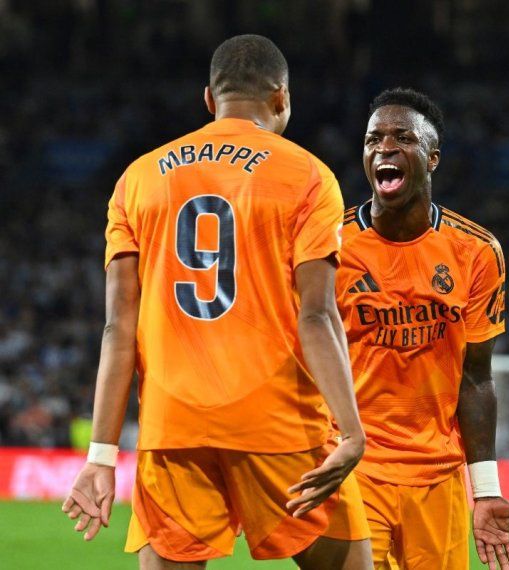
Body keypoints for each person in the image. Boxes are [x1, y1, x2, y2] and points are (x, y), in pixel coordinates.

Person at [61, 34, 372, 569]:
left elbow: (118, 329)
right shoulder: (308, 176)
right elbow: (317, 315)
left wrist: (101, 456)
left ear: (209, 99)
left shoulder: (137, 179)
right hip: (279, 423)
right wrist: (351, 430)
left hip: (172, 427)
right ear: (282, 98)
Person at [336, 87, 509, 570]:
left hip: (438, 476)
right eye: (373, 139)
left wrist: (485, 490)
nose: (383, 147)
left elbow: (476, 376)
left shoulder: (476, 251)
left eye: (402, 137)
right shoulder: (330, 245)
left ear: (432, 158)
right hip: (355, 470)